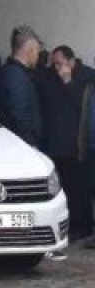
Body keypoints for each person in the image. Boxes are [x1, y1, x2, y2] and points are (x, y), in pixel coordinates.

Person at [39, 47, 95, 241]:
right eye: (53, 63)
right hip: (54, 142)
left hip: (76, 143)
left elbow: (84, 107)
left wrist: (68, 82)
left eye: (59, 63)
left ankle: (82, 227)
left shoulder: (87, 77)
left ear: (71, 61)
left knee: (79, 188)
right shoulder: (49, 76)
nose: (56, 68)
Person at [0, 25, 44, 149]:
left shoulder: (8, 71)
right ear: (29, 51)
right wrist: (30, 144)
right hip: (20, 145)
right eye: (37, 52)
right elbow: (20, 114)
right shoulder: (16, 76)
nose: (38, 57)